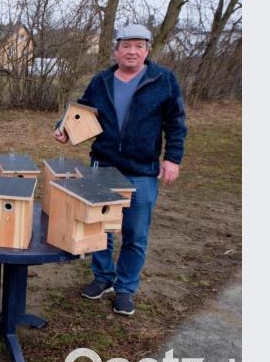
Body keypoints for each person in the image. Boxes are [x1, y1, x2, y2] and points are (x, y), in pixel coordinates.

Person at [54, 24, 187, 316]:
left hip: (142, 170)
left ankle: (126, 288)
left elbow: (176, 123)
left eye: (139, 45)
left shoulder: (163, 80)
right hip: (103, 165)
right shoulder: (101, 81)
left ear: (147, 50)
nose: (132, 51)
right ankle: (103, 278)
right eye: (126, 45)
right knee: (100, 227)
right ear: (116, 51)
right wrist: (62, 129)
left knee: (135, 233)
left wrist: (172, 159)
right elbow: (82, 112)